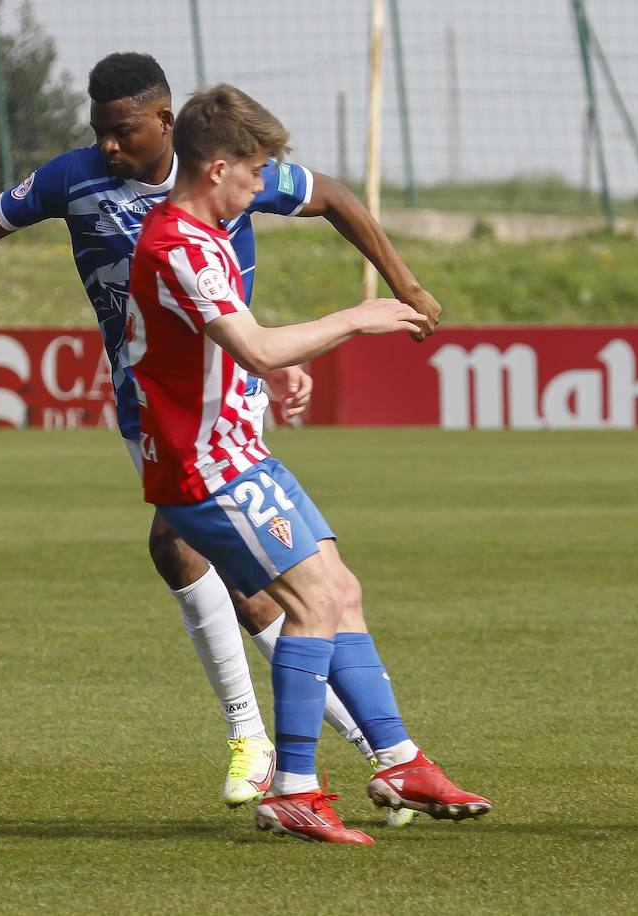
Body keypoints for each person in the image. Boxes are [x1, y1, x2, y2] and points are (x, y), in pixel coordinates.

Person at [0, 53, 441, 811]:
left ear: (164, 123)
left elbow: (331, 196)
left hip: (219, 394)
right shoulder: (75, 177)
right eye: (99, 131)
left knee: (233, 566)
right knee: (251, 578)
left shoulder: (226, 173)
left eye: (122, 131)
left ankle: (289, 746)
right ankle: (369, 754)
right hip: (150, 398)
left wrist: (402, 282)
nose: (108, 146)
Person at [128, 83, 491, 844]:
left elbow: (222, 347)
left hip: (238, 454)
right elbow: (253, 344)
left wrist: (265, 368)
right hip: (207, 469)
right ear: (219, 168)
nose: (263, 185)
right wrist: (358, 317)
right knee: (312, 602)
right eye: (257, 171)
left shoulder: (198, 234)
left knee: (340, 590)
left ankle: (399, 761)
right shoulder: (179, 244)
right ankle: (293, 787)